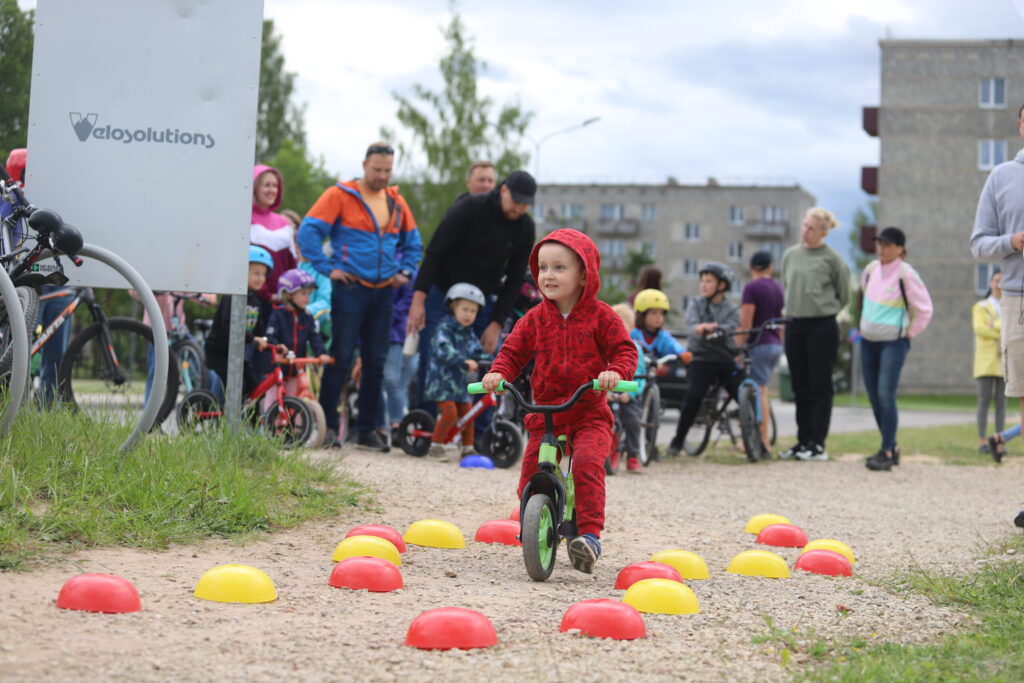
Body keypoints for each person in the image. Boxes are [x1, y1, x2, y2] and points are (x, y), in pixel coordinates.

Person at [481, 229, 637, 574]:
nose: (548, 275)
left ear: (584, 275)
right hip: (545, 414)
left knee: (586, 464)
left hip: (588, 412)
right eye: (542, 268)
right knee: (530, 473)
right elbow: (512, 352)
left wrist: (615, 371)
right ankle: (536, 521)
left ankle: (589, 535)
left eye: (559, 268)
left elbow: (624, 350)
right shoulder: (534, 319)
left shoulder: (602, 316)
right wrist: (497, 374)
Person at [297, 142, 422, 452]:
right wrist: (328, 268)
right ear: (365, 165)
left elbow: (414, 243)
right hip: (350, 288)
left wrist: (405, 272)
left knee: (376, 363)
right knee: (340, 357)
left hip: (383, 293)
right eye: (377, 169)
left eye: (387, 170)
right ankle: (323, 427)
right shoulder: (340, 195)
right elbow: (308, 232)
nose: (382, 176)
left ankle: (368, 429)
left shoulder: (396, 201)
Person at [407, 170, 537, 412]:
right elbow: (435, 252)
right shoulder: (470, 207)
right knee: (432, 356)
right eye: (516, 201)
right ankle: (425, 425)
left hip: (482, 299)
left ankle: (477, 434)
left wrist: (497, 322)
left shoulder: (525, 227)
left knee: (486, 362)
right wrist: (418, 300)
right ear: (504, 190)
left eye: (525, 205)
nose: (519, 208)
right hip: (441, 293)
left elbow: (515, 278)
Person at [858, 227, 934, 471]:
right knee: (873, 396)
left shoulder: (906, 274)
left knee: (885, 394)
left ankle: (887, 451)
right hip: (868, 342)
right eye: (880, 243)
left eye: (888, 244)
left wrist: (909, 332)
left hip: (893, 342)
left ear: (900, 248)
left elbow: (925, 308)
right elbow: (865, 294)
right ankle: (890, 444)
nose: (882, 248)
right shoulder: (870, 270)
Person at [779, 207, 850, 462]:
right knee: (800, 385)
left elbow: (844, 295)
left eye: (811, 228)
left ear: (822, 233)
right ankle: (802, 440)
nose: (805, 231)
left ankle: (818, 443)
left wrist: (821, 310)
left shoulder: (832, 259)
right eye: (804, 225)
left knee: (820, 385)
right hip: (795, 325)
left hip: (822, 326)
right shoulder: (790, 255)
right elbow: (787, 286)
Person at [3, 148, 70, 408]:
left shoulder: (15, 199)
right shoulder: (12, 199)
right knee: (22, 344)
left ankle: (35, 401)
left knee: (26, 344)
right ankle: (28, 400)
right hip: (28, 279)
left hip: (37, 278)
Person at [666, 263, 741, 457]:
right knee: (694, 395)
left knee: (741, 391)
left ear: (722, 285)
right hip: (701, 358)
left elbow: (733, 325)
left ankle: (752, 437)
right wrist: (700, 328)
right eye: (702, 281)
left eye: (709, 281)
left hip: (724, 358)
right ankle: (678, 441)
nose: (704, 285)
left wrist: (717, 328)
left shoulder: (731, 309)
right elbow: (692, 324)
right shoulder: (696, 303)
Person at [424, 283, 492, 462]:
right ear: (454, 307)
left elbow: (477, 350)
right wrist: (463, 361)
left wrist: (493, 361)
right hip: (442, 383)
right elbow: (442, 349)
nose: (469, 314)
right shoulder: (444, 328)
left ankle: (468, 447)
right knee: (450, 413)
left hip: (461, 385)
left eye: (473, 311)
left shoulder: (468, 333)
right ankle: (436, 446)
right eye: (465, 309)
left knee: (468, 413)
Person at [205, 246, 275, 398]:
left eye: (263, 275)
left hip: (237, 354)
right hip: (219, 352)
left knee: (255, 387)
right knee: (232, 383)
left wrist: (272, 345)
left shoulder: (256, 302)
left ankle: (248, 419)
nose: (260, 278)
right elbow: (229, 326)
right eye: (256, 273)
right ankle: (217, 413)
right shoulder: (232, 297)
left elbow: (259, 331)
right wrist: (252, 339)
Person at [738, 251, 785, 455]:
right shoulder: (778, 288)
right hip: (775, 343)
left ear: (751, 268)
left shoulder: (751, 288)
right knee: (762, 390)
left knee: (759, 392)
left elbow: (747, 323)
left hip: (759, 343)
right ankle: (761, 438)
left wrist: (738, 348)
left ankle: (763, 442)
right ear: (769, 267)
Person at [382, 257, 418, 440]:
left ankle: (398, 424)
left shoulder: (407, 264)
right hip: (372, 330)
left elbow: (408, 300)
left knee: (392, 379)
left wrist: (384, 314)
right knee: (375, 379)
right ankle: (379, 424)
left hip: (396, 332)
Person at [251, 164, 296, 302]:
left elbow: (292, 266)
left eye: (275, 185)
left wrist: (290, 294)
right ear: (254, 187)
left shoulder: (284, 223)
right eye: (266, 185)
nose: (272, 190)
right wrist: (268, 296)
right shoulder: (244, 219)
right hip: (250, 301)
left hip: (281, 303)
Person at [610, 303, 647, 473]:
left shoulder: (636, 349)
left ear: (631, 328)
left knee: (632, 420)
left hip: (629, 392)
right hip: (608, 391)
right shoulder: (604, 346)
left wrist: (630, 393)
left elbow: (641, 378)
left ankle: (633, 456)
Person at [974, 269, 1004, 454]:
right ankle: (982, 440)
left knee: (1002, 402)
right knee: (984, 400)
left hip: (1004, 360)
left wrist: (995, 325)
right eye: (996, 280)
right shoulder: (981, 307)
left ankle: (1000, 439)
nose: (999, 284)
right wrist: (1002, 328)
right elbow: (980, 329)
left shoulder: (1011, 307)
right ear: (990, 283)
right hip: (986, 360)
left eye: (1003, 281)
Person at [630, 288, 686, 359]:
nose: (659, 317)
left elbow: (673, 345)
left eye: (661, 313)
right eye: (654, 313)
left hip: (657, 369)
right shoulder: (634, 334)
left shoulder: (663, 335)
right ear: (642, 315)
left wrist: (682, 353)